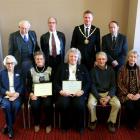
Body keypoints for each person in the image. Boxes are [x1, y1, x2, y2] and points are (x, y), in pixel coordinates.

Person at [55, 48, 90, 133]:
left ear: (78, 58)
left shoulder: (83, 67)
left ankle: (80, 126)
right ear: (68, 57)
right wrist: (61, 91)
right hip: (64, 92)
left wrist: (82, 91)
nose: (73, 58)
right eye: (71, 56)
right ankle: (65, 125)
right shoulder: (61, 66)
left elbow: (88, 82)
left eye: (75, 56)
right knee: (63, 104)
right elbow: (55, 81)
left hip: (78, 92)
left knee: (79, 104)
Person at [87, 51, 121, 133]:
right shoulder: (92, 71)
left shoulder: (111, 70)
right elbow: (92, 86)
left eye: (103, 59)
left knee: (117, 104)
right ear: (96, 60)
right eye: (99, 59)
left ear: (106, 60)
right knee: (90, 104)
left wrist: (108, 97)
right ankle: (93, 120)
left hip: (108, 93)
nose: (101, 61)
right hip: (96, 93)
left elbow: (113, 86)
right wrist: (99, 98)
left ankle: (111, 122)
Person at [27, 51, 53, 133]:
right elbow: (28, 85)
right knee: (34, 105)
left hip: (47, 94)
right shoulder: (31, 70)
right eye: (37, 59)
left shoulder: (50, 69)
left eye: (41, 59)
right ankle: (36, 123)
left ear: (44, 60)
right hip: (35, 93)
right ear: (35, 60)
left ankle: (48, 123)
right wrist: (31, 94)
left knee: (47, 104)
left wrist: (48, 93)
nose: (39, 60)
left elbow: (54, 83)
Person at [0, 55, 24, 139]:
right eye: (8, 63)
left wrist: (17, 94)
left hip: (16, 95)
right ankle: (10, 129)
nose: (10, 65)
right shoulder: (1, 73)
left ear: (14, 63)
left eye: (11, 63)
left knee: (16, 106)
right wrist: (7, 92)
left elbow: (22, 85)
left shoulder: (19, 72)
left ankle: (7, 124)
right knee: (6, 106)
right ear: (5, 64)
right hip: (6, 95)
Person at [118, 50, 140, 130]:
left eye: (135, 57)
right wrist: (127, 94)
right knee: (130, 107)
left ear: (137, 59)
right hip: (125, 95)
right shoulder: (122, 69)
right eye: (131, 56)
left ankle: (134, 122)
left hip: (137, 95)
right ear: (128, 58)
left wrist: (139, 94)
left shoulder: (139, 69)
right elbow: (119, 84)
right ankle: (130, 123)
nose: (132, 59)